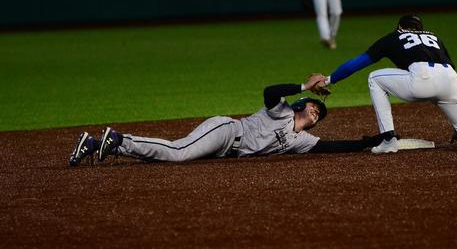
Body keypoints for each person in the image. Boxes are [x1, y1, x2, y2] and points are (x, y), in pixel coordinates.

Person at [68, 75, 384, 166]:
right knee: (178, 152)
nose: (317, 112)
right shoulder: (283, 109)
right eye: (315, 107)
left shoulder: (302, 141)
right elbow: (269, 90)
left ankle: (97, 144)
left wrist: (367, 142)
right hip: (225, 132)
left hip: (224, 151)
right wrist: (305, 86)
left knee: (167, 157)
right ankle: (121, 139)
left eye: (320, 114)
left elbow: (330, 147)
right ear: (302, 104)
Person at [313, 15, 457, 153]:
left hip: (422, 78)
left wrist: (330, 79)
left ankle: (388, 141)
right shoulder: (434, 37)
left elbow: (358, 63)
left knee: (374, 78)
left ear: (400, 27)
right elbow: (450, 69)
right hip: (451, 81)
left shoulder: (395, 36)